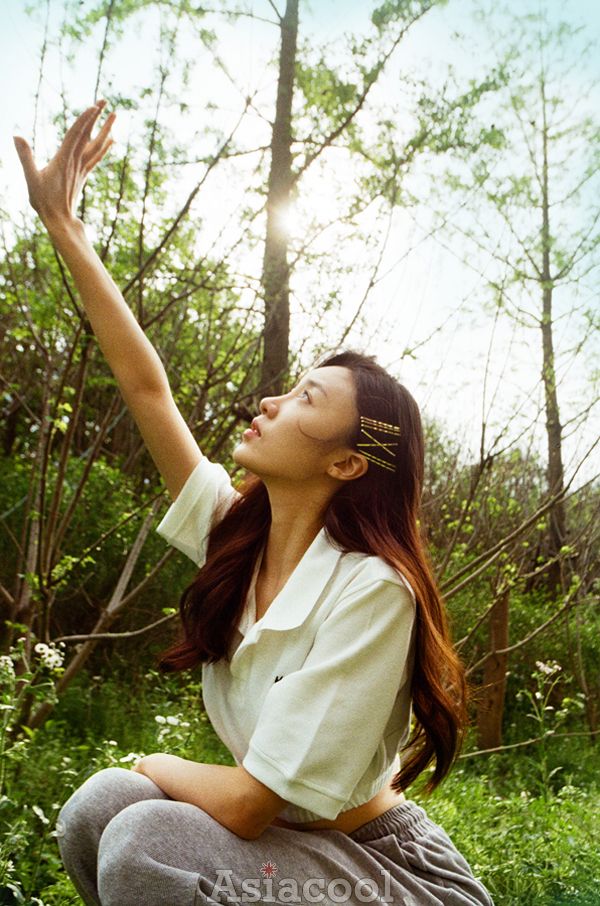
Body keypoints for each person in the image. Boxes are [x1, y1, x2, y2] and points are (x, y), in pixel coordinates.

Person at [14, 101, 494, 906]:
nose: (270, 402)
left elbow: (248, 802)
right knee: (97, 813)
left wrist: (151, 766)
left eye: (305, 399)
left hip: (389, 874)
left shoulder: (375, 589)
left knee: (140, 830)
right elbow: (146, 389)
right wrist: (66, 226)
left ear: (346, 460)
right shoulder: (238, 534)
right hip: (282, 856)